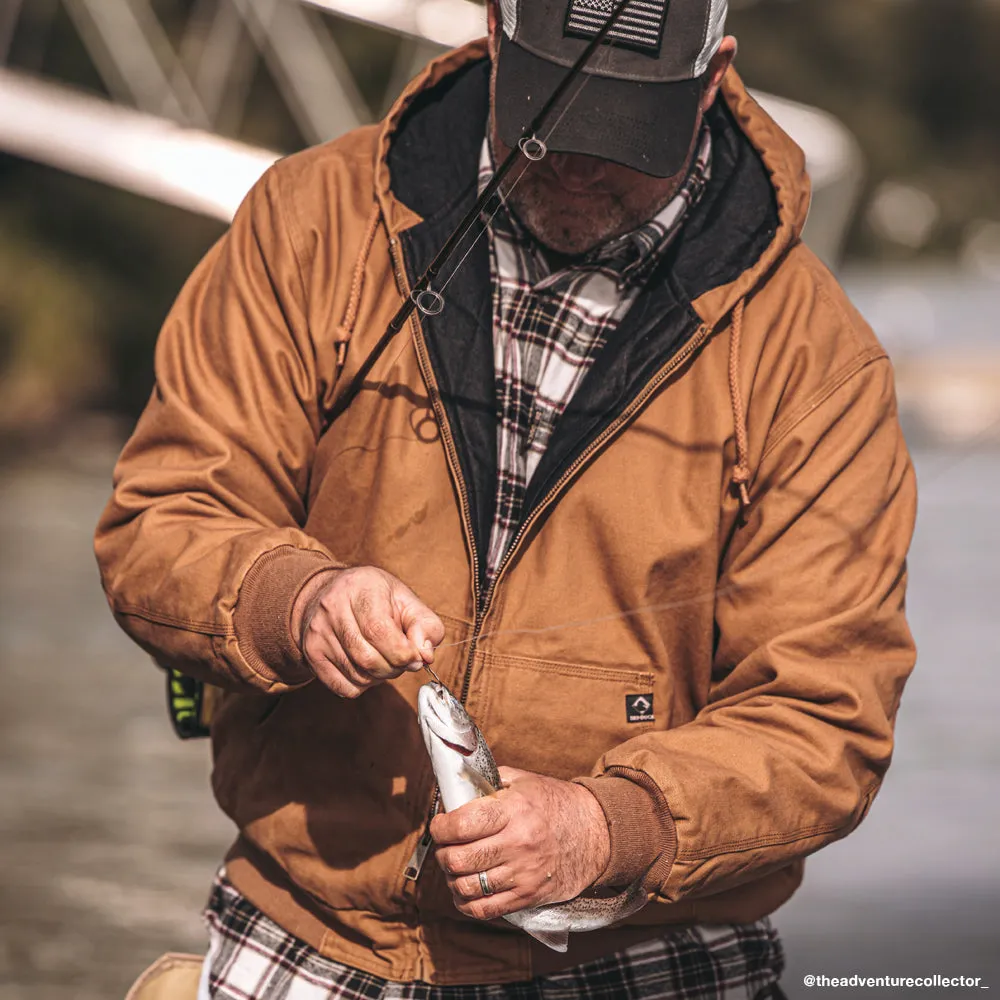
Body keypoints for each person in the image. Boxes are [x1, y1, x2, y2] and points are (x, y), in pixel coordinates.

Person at [95, 0, 917, 997]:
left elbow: (826, 716)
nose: (574, 166)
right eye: (548, 121)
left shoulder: (817, 361)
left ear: (711, 81)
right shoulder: (307, 220)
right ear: (492, 37)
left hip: (655, 950)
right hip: (314, 919)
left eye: (622, 134)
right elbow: (163, 518)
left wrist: (613, 826)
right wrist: (294, 599)